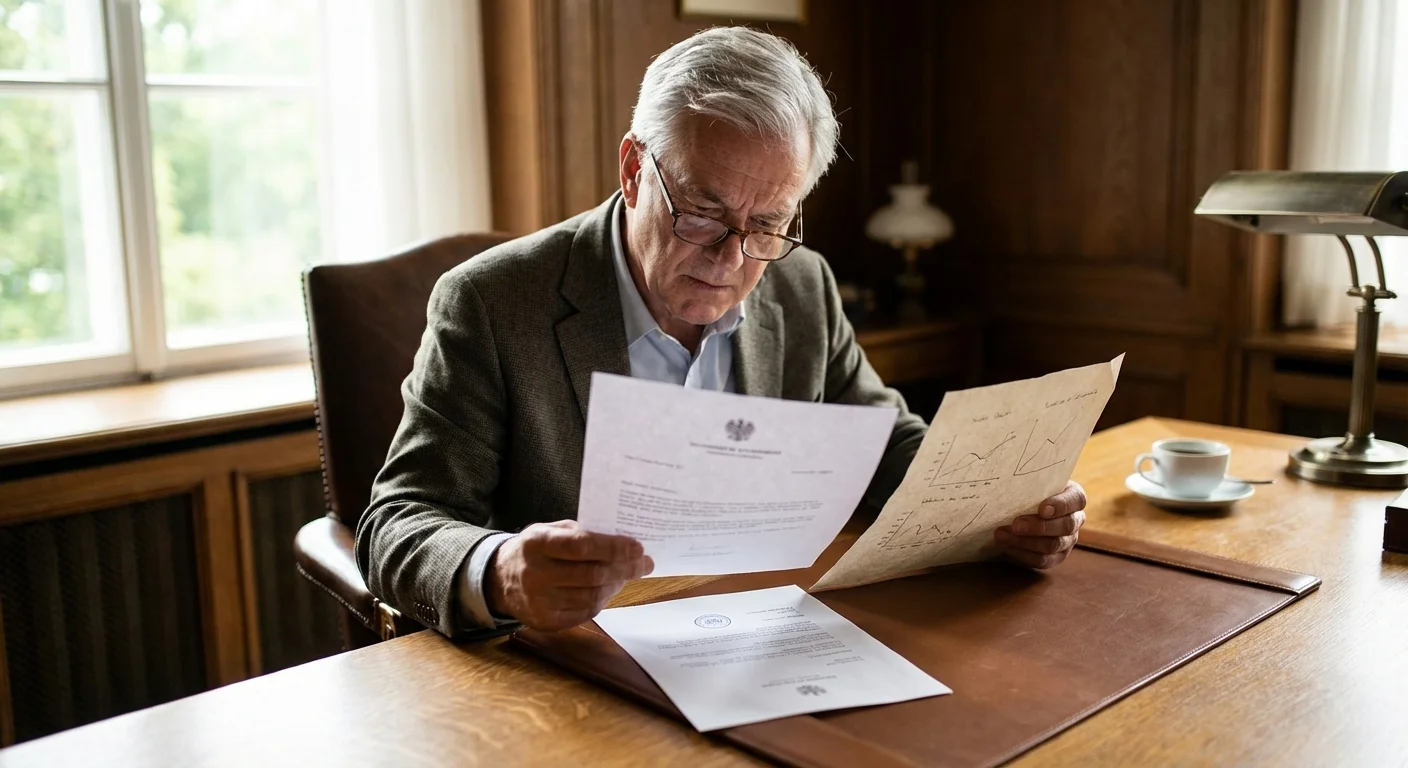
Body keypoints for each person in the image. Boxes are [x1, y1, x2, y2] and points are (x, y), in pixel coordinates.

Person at [358, 26, 1086, 638]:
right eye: (704, 213)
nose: (732, 259)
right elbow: (398, 522)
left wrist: (999, 503)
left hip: (767, 632)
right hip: (577, 661)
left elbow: (882, 442)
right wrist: (502, 571)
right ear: (634, 168)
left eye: (768, 223)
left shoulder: (803, 284)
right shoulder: (491, 303)